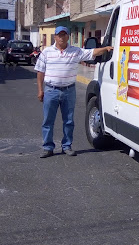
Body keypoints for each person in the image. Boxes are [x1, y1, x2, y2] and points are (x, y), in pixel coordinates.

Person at [35, 26, 113, 158]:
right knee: (48, 120)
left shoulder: (75, 51)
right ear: (55, 37)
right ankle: (47, 147)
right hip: (51, 91)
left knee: (69, 121)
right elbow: (40, 72)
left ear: (68, 37)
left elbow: (92, 52)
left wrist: (105, 49)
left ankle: (67, 146)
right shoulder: (46, 52)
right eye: (59, 35)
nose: (62, 37)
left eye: (64, 34)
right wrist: (40, 90)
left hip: (68, 91)